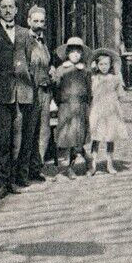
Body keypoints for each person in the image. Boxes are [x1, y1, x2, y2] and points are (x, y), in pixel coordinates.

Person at [0, 0, 38, 198]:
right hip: (0, 94)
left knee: (18, 139)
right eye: (3, 7)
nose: (7, 10)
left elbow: (31, 62)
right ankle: (1, 183)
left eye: (11, 6)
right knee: (2, 139)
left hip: (22, 92)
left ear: (17, 10)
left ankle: (14, 180)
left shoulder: (24, 34)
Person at [50, 37, 91, 176]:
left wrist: (87, 103)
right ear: (67, 53)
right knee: (68, 137)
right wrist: (60, 102)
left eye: (78, 52)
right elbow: (56, 89)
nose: (75, 55)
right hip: (66, 108)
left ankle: (85, 159)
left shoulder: (85, 70)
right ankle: (69, 167)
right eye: (72, 52)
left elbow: (89, 89)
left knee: (79, 137)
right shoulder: (61, 70)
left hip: (81, 107)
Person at [87, 47, 128, 174]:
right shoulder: (94, 78)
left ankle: (110, 163)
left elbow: (120, 94)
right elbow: (90, 93)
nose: (104, 67)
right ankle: (92, 164)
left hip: (111, 109)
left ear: (110, 65)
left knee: (110, 137)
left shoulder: (114, 78)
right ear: (97, 65)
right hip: (98, 109)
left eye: (106, 64)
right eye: (101, 64)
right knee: (96, 137)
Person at [25, 5, 53, 180]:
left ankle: (37, 167)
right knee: (30, 131)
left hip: (45, 91)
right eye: (35, 21)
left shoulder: (43, 42)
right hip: (32, 91)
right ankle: (25, 170)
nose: (39, 24)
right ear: (28, 21)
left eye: (42, 21)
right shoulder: (25, 41)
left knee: (44, 130)